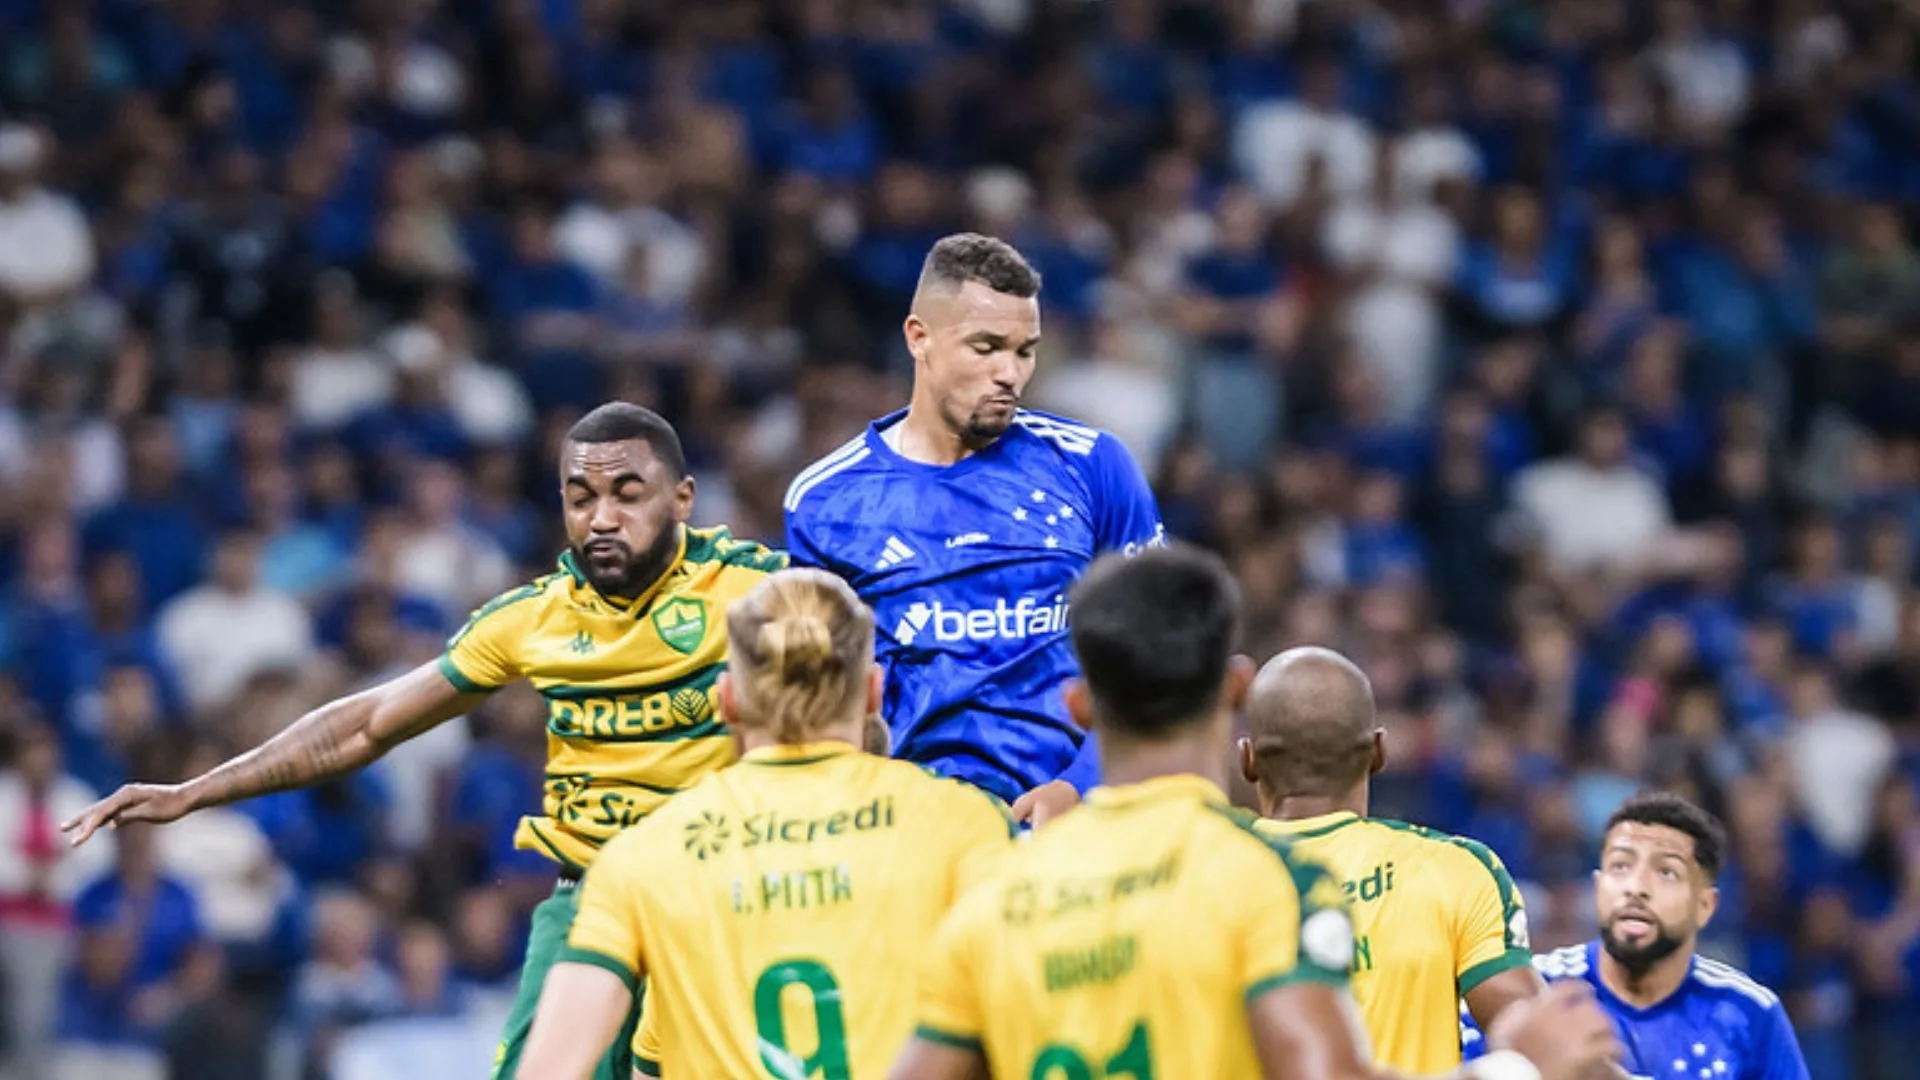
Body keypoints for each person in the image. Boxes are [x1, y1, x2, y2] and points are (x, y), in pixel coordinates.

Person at [62, 402, 786, 1080]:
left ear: (684, 499)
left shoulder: (763, 589)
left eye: (628, 494)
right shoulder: (532, 618)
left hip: (712, 895)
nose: (601, 518)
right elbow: (368, 722)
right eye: (579, 497)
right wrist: (193, 791)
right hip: (591, 904)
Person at [888, 546, 1622, 1080]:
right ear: (1234, 687)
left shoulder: (992, 898)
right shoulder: (1268, 879)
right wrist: (1516, 1070)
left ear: (1079, 706)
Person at [517, 567, 1017, 1079]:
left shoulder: (644, 855)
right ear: (872, 691)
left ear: (727, 699)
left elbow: (550, 1069)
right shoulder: (961, 822)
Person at [784, 232, 1166, 824]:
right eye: (986, 347)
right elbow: (819, 705)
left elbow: (1155, 656)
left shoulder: (1095, 467)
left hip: (1078, 826)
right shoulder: (823, 502)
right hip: (904, 831)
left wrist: (1079, 788)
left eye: (1024, 351)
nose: (1009, 373)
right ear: (919, 339)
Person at [1239, 646, 1544, 1074]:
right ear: (1378, 752)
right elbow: (1539, 1046)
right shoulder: (1455, 871)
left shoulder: (1199, 878)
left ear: (1247, 759)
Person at [1508, 793, 1811, 1080]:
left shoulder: (1749, 1013)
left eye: (1666, 872)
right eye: (1621, 866)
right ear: (1598, 887)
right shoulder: (1532, 992)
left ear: (1704, 906)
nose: (1636, 887)